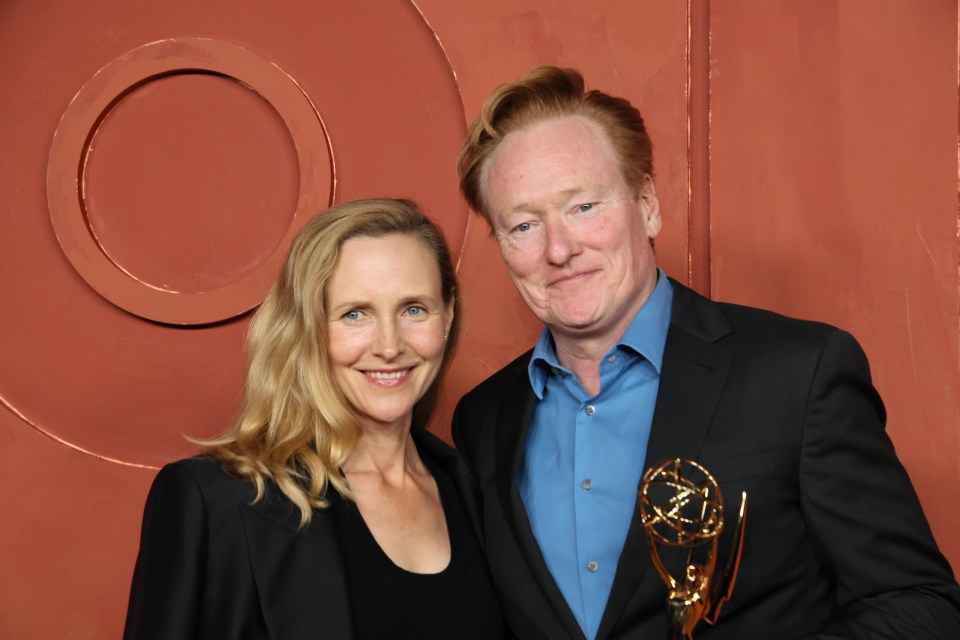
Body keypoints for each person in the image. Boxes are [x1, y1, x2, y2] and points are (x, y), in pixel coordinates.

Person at [452, 65, 960, 640]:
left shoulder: (798, 375)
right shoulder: (483, 420)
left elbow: (919, 605)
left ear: (646, 205)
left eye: (583, 207)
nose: (560, 248)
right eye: (523, 225)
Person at [124, 198, 504, 640]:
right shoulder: (215, 501)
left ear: (447, 315)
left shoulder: (478, 489)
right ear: (308, 327)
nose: (388, 345)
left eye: (413, 309)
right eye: (354, 314)